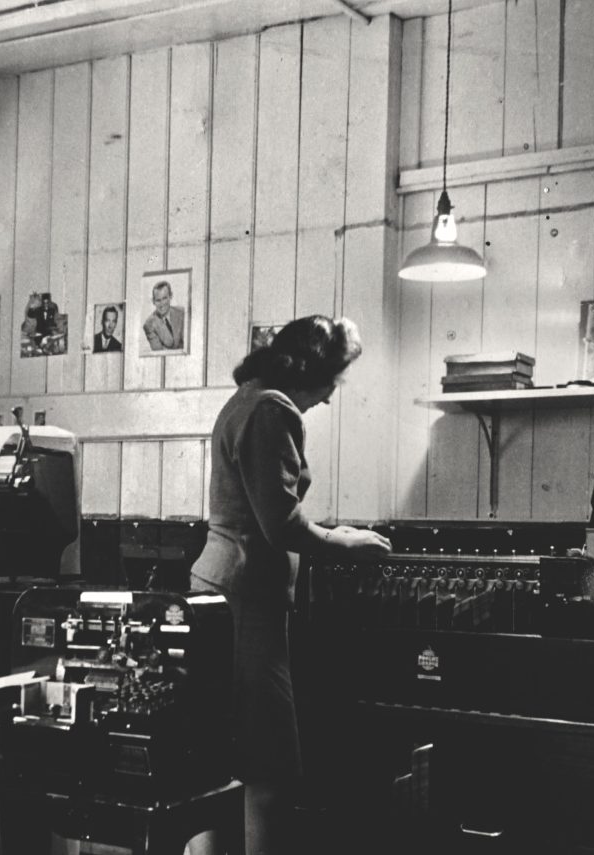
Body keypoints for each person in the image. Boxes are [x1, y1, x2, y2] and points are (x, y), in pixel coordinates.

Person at [188, 315, 392, 855]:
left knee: (225, 756)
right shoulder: (272, 409)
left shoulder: (248, 398)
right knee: (270, 763)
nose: (329, 396)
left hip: (225, 589)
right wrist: (344, 540)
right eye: (331, 380)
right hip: (245, 597)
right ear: (307, 370)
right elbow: (279, 522)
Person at [142, 280, 185, 351]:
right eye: (158, 300)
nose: (162, 304)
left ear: (171, 296)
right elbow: (160, 352)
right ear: (153, 301)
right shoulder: (149, 324)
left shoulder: (182, 312)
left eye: (164, 298)